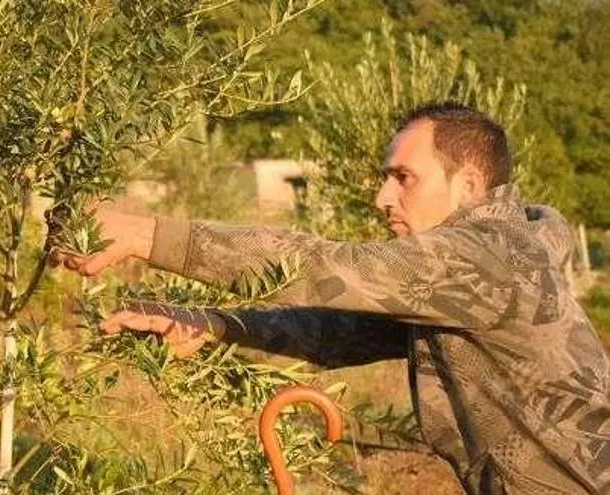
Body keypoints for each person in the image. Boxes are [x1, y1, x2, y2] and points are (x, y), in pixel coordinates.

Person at [52, 102, 610, 494]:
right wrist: (211, 325)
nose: (382, 196)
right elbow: (333, 330)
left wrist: (144, 234)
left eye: (403, 178)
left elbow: (323, 267)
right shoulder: (464, 282)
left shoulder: (487, 257)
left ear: (467, 185)